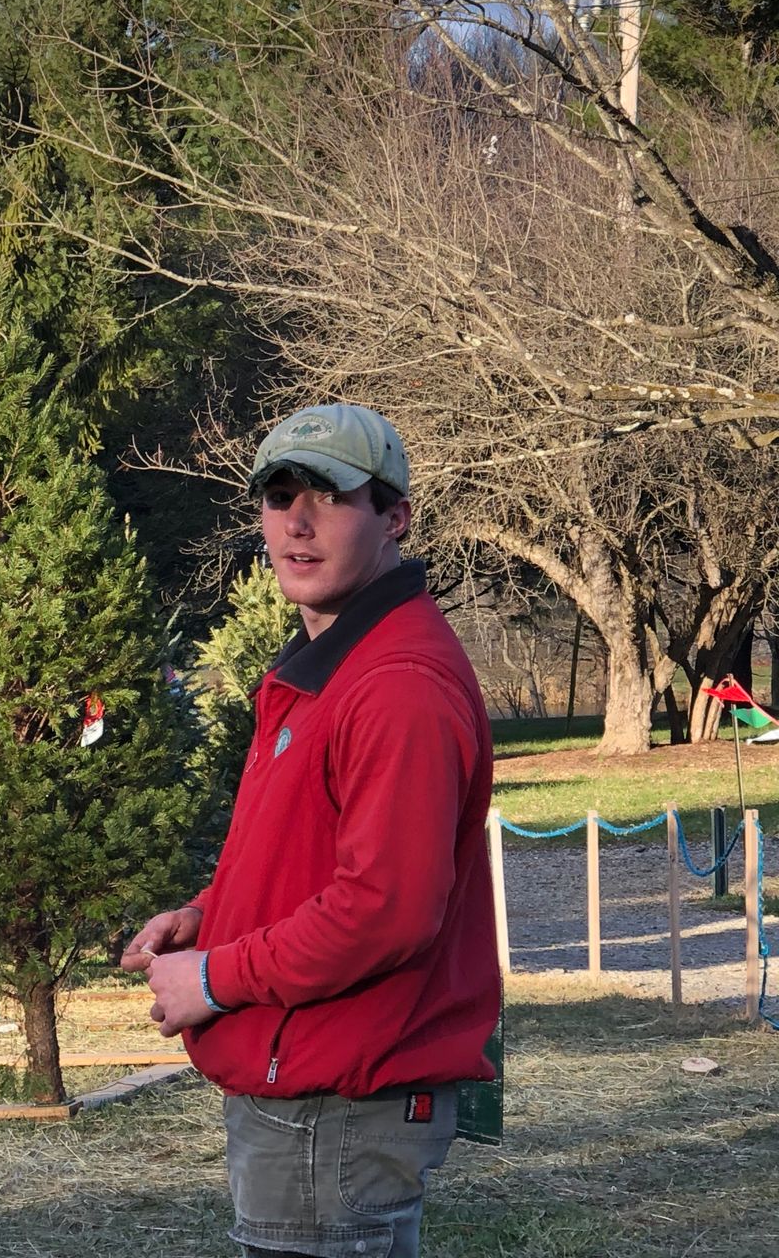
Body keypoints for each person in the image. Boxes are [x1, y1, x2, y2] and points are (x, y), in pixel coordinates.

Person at [123, 402, 498, 1258]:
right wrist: (209, 913)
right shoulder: (333, 667)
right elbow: (319, 854)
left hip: (334, 1105)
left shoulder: (395, 683)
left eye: (328, 496)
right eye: (277, 493)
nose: (295, 521)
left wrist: (215, 975)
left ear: (394, 516)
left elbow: (386, 910)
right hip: (314, 1093)